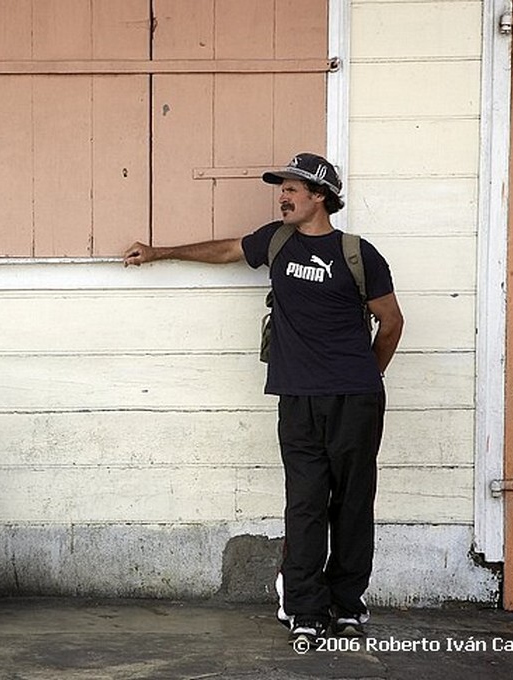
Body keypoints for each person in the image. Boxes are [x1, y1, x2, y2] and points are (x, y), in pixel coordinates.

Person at [123, 153, 404, 645]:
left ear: (320, 196)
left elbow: (392, 321)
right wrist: (160, 251)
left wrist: (365, 377)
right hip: (297, 398)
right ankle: (304, 607)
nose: (283, 195)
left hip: (355, 400)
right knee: (305, 503)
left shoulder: (358, 254)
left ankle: (348, 603)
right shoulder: (276, 242)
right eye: (282, 188)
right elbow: (226, 250)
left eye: (293, 188)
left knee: (354, 503)